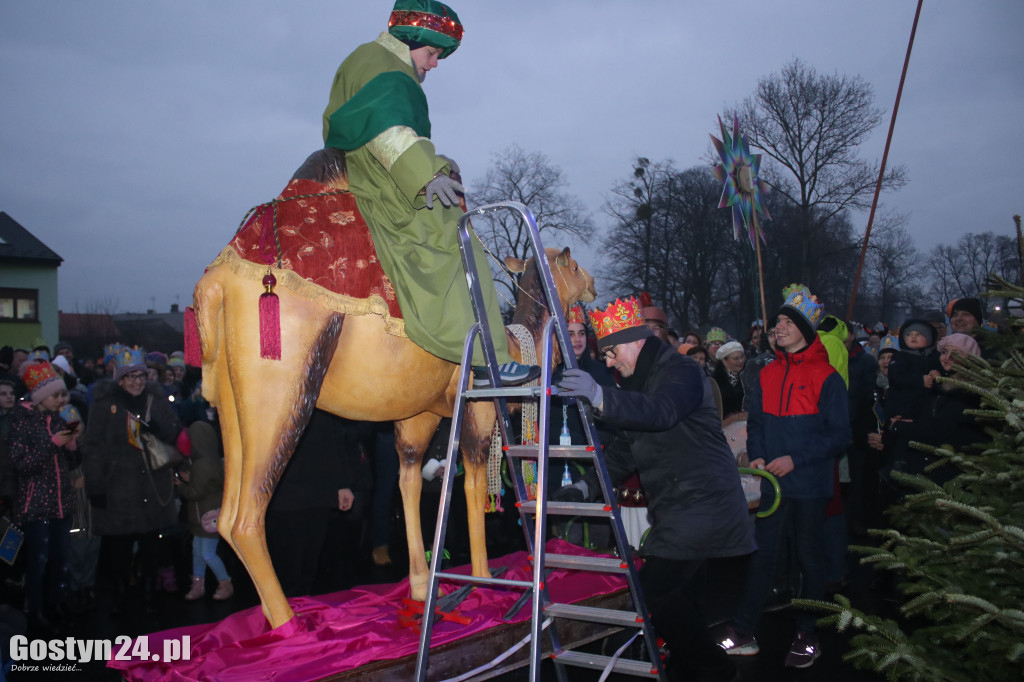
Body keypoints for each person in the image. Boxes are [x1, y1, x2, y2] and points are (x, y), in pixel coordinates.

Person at [320, 0, 537, 386]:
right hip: (385, 182)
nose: (434, 64)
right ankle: (488, 357)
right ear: (409, 39)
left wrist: (432, 162)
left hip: (370, 169)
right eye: (432, 52)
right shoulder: (386, 67)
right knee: (456, 236)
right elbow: (387, 129)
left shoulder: (364, 59)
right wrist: (426, 175)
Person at [557, 296, 755, 682]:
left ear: (634, 341)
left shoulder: (678, 370)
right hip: (680, 508)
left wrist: (600, 397)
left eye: (611, 353)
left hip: (703, 506)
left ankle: (716, 669)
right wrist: (584, 487)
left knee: (654, 593)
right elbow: (622, 453)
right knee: (685, 603)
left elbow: (662, 412)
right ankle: (694, 670)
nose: (609, 363)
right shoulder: (638, 380)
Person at [718, 286, 850, 669]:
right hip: (773, 486)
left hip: (809, 483)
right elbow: (756, 422)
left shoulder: (827, 376)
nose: (779, 327)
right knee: (764, 556)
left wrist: (796, 458)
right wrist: (757, 453)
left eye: (789, 322)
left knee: (809, 556)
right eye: (777, 322)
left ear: (807, 330)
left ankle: (808, 633)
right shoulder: (767, 373)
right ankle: (744, 629)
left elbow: (839, 435)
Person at [80, 346, 183, 613]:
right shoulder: (104, 406)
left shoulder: (156, 400)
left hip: (152, 486)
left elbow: (175, 431)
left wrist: (160, 427)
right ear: (119, 378)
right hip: (117, 489)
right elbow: (92, 448)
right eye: (130, 377)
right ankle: (121, 596)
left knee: (152, 544)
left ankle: (148, 594)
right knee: (119, 548)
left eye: (140, 376)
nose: (136, 381)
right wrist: (96, 486)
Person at [7, 362, 82, 631]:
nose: (63, 399)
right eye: (57, 395)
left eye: (63, 394)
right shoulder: (21, 422)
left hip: (62, 503)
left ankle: (55, 603)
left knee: (61, 559)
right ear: (40, 398)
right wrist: (53, 444)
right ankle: (35, 611)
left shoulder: (60, 419)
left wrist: (73, 447)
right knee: (39, 562)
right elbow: (22, 464)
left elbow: (70, 462)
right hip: (36, 505)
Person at [176, 421, 232, 601]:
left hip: (206, 518)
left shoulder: (201, 464)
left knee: (207, 554)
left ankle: (225, 583)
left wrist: (180, 486)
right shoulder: (211, 460)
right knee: (198, 552)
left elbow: (195, 492)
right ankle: (198, 585)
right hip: (204, 517)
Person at [712, 341, 746, 419]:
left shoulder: (747, 376)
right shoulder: (715, 380)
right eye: (736, 358)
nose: (741, 361)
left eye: (742, 357)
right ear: (724, 360)